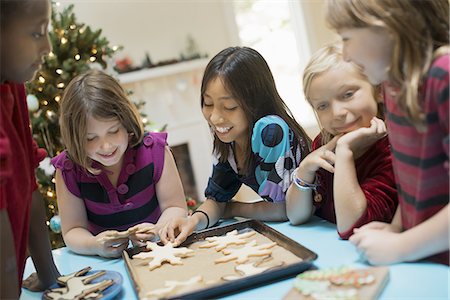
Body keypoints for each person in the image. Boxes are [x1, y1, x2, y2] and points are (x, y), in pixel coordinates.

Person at [326, 0, 449, 265]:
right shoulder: (392, 88)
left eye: (347, 39)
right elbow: (412, 185)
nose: (346, 54)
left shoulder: (444, 75)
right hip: (427, 260)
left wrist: (402, 246)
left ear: (387, 26)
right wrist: (395, 229)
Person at [160, 46, 311, 246]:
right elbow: (216, 200)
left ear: (254, 101)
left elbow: (283, 209)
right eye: (207, 103)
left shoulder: (270, 131)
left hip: (317, 223)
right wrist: (192, 221)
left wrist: (232, 208)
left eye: (229, 107)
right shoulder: (228, 140)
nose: (215, 117)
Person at [52, 69, 187, 258]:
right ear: (76, 139)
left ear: (126, 122)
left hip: (160, 253)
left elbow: (176, 207)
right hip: (106, 266)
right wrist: (94, 244)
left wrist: (158, 229)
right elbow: (73, 230)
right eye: (90, 138)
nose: (106, 146)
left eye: (113, 131)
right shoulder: (69, 170)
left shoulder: (155, 151)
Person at [286, 43, 398, 240]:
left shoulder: (393, 148)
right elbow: (296, 216)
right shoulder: (324, 143)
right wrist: (305, 170)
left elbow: (350, 226)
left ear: (378, 90)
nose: (337, 113)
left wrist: (345, 151)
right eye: (322, 105)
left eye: (348, 95)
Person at [0, 0, 60, 297]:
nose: (48, 46)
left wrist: (50, 278)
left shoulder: (13, 86)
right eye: (37, 33)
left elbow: (27, 181)